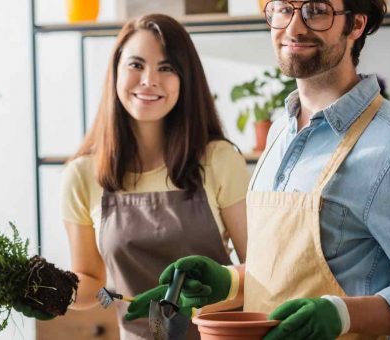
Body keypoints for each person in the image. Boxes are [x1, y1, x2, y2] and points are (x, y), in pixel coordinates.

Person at [127, 1, 390, 339]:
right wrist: (228, 280)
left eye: (316, 10)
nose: (294, 27)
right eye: (281, 8)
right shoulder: (279, 132)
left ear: (356, 25)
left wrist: (344, 315)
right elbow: (288, 270)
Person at [60, 13, 250, 340]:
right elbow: (90, 278)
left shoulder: (219, 160)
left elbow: (262, 273)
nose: (149, 80)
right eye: (136, 65)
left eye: (166, 68)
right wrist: (45, 291)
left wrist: (200, 298)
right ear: (115, 71)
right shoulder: (82, 174)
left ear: (185, 79)